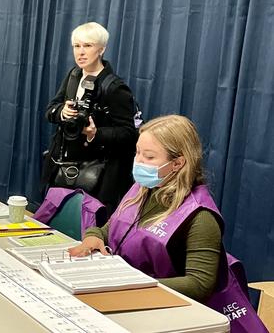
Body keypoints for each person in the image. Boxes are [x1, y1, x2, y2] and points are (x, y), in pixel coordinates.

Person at [69, 115, 267, 333]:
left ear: (177, 163)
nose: (139, 161)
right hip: (133, 303)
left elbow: (200, 284)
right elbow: (111, 228)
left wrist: (132, 284)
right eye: (138, 152)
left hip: (175, 316)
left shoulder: (200, 216)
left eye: (149, 156)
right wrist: (93, 236)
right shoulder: (143, 190)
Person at [42, 22, 137, 218]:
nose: (81, 52)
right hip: (63, 166)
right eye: (77, 46)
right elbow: (50, 110)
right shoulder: (73, 75)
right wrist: (62, 112)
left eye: (88, 46)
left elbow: (129, 134)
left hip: (97, 176)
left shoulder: (115, 87)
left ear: (101, 49)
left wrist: (96, 133)